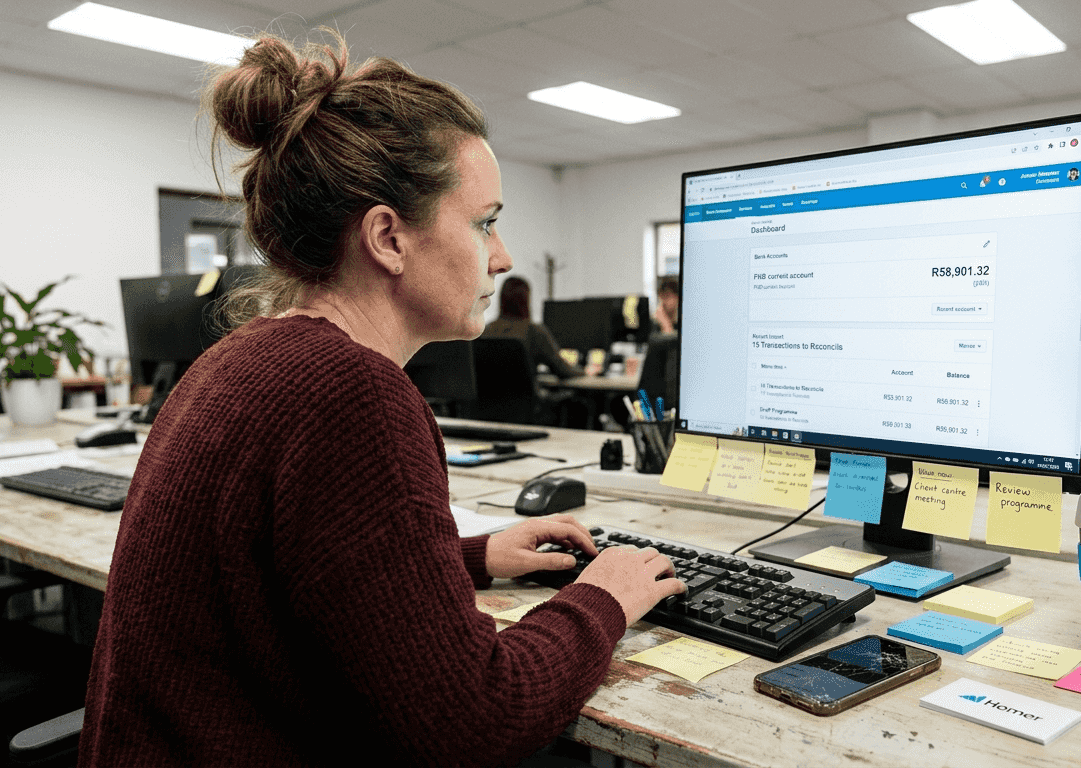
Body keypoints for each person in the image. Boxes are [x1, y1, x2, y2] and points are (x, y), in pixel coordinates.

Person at [78, 33, 684, 767]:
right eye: (484, 221)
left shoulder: (240, 359)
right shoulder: (353, 395)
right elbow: (475, 722)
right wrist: (603, 600)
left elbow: (293, 574)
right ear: (388, 238)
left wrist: (472, 556)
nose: (503, 256)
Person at [482, 275, 581, 379]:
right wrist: (585, 371)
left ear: (502, 299)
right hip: (527, 395)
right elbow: (563, 370)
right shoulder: (534, 332)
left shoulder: (485, 331)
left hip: (488, 395)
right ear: (526, 300)